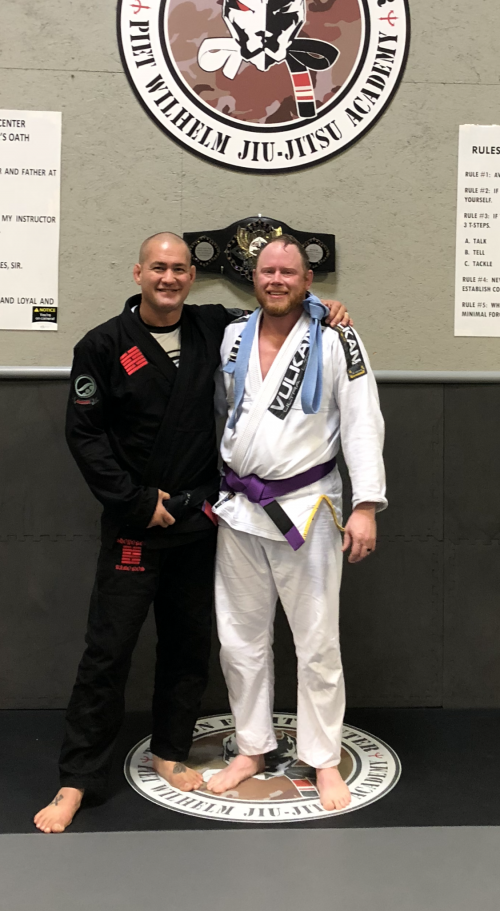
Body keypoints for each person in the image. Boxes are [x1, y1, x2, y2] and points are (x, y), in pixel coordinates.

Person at [34, 231, 349, 833]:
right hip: (136, 522)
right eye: (158, 268)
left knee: (188, 646)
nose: (170, 278)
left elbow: (279, 306)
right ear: (138, 274)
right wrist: (134, 502)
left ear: (191, 277)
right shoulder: (102, 344)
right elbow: (86, 436)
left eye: (180, 269)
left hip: (199, 520)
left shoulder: (214, 327)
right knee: (108, 652)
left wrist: (323, 307)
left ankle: (169, 751)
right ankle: (76, 779)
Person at [206, 235, 387, 811]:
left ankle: (323, 758)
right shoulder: (233, 336)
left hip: (307, 508)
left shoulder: (337, 337)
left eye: (288, 272)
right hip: (239, 509)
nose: (277, 280)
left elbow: (362, 421)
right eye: (267, 271)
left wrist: (366, 504)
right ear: (253, 278)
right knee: (239, 639)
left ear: (308, 280)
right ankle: (251, 748)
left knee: (316, 642)